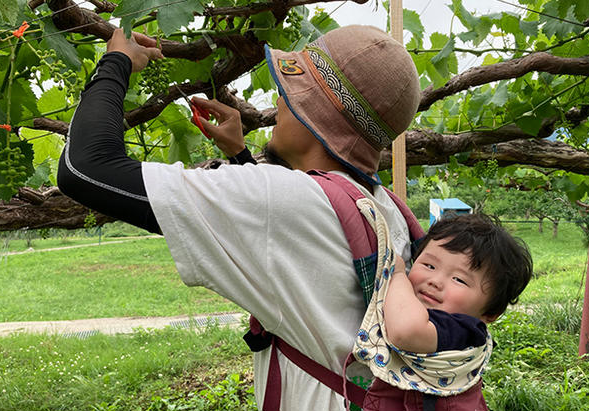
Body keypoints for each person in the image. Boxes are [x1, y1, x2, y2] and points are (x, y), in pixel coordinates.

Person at [57, 25, 424, 410]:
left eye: (291, 93)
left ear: (315, 116)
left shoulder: (280, 200)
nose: (280, 101)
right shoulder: (384, 206)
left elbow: (85, 168)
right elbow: (285, 249)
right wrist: (240, 156)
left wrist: (116, 62)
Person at [352, 213, 533, 410]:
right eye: (429, 265)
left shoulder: (464, 329)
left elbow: (406, 331)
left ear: (490, 313)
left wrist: (396, 274)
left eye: (459, 279)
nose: (435, 281)